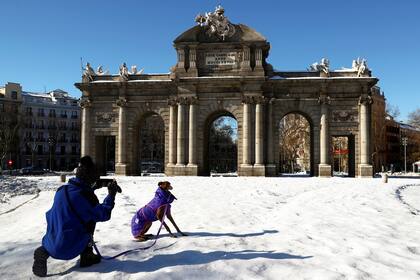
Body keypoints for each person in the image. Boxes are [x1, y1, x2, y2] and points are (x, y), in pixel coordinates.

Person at [32, 156, 121, 277]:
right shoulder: (88, 197)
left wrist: (95, 186)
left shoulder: (62, 190)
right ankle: (87, 254)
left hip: (51, 241)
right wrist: (111, 195)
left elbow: (79, 197)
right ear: (90, 179)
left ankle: (44, 251)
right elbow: (104, 214)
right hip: (70, 247)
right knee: (90, 220)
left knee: (66, 215)